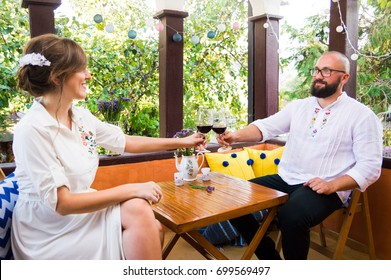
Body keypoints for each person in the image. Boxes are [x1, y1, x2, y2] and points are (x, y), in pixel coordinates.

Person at [11, 34, 206, 260]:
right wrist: (131, 188)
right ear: (57, 77)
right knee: (146, 219)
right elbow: (62, 203)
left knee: (146, 219)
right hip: (48, 229)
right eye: (81, 69)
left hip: (79, 214)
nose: (88, 75)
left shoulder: (80, 117)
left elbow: (126, 142)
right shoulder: (33, 129)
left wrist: (181, 142)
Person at [218, 51, 383, 260]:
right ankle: (272, 260)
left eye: (327, 71)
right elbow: (266, 127)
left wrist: (333, 185)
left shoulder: (362, 115)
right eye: (317, 70)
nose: (318, 75)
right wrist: (236, 136)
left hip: (326, 187)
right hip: (286, 178)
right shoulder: (299, 107)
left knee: (291, 216)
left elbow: (370, 166)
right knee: (234, 199)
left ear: (345, 77)